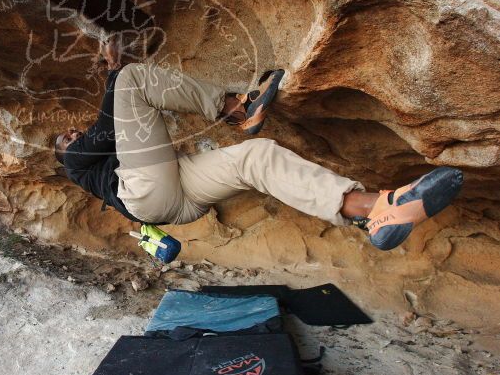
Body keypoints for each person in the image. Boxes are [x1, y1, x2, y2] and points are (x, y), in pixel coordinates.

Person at [54, 37, 463, 251]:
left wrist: (111, 72)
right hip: (146, 195)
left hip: (178, 195)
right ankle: (236, 108)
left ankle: (374, 210)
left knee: (257, 156)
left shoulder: (106, 149)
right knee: (131, 81)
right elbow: (106, 128)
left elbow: (114, 126)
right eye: (65, 140)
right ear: (64, 157)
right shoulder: (78, 165)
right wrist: (114, 71)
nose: (73, 137)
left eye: (71, 133)